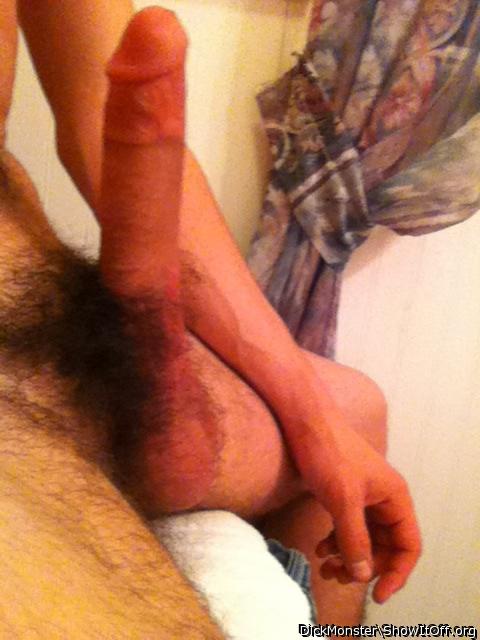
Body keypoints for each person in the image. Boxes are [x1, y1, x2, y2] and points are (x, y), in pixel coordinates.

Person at [0, 1, 421, 634]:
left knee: (352, 414)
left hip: (40, 316)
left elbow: (103, 110)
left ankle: (154, 369)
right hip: (27, 339)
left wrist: (313, 417)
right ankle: (156, 387)